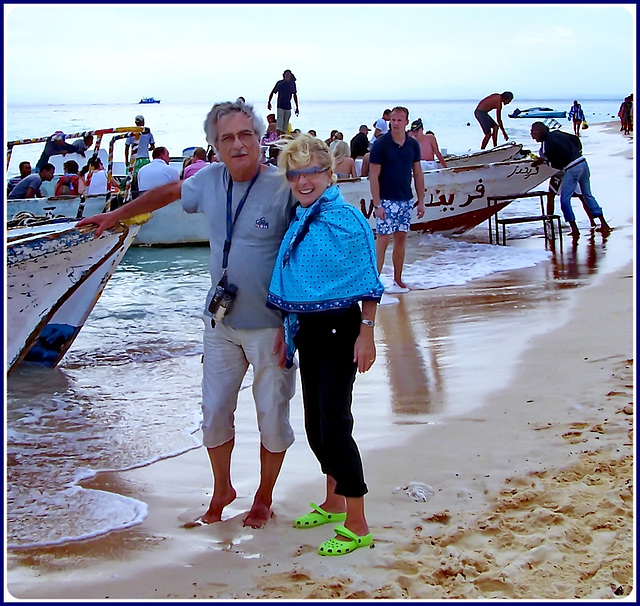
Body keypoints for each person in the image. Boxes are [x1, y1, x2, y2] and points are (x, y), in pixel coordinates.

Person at [77, 100, 297, 529]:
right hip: (220, 322)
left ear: (259, 139)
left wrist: (295, 322)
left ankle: (263, 497)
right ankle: (222, 491)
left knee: (272, 413)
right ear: (214, 147)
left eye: (245, 134)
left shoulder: (283, 186)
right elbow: (167, 193)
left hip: (271, 326)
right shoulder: (209, 180)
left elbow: (308, 249)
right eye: (226, 138)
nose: (237, 144)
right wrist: (117, 214)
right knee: (214, 410)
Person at [267, 134, 383, 556]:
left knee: (335, 426)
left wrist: (366, 333)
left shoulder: (345, 219)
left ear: (329, 174)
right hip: (309, 330)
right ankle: (333, 501)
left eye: (311, 172)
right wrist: (287, 332)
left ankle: (357, 522)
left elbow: (368, 280)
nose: (302, 181)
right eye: (294, 174)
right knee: (315, 426)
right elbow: (295, 280)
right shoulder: (301, 217)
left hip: (341, 329)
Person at [369, 106, 424, 291]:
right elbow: (373, 176)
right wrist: (377, 204)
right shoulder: (381, 144)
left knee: (401, 238)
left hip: (405, 199)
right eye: (393, 120)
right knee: (383, 240)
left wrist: (421, 200)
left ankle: (398, 280)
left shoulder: (412, 144)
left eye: (399, 120)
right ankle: (374, 282)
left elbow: (417, 173)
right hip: (385, 200)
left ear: (406, 122)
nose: (395, 123)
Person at [530, 121, 610, 239]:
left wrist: (543, 161)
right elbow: (575, 139)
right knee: (587, 195)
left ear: (538, 132)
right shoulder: (557, 133)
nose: (532, 136)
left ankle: (574, 229)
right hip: (582, 162)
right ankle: (604, 224)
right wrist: (577, 152)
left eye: (532, 133)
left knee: (565, 200)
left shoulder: (546, 144)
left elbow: (556, 165)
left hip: (572, 169)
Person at [267, 69, 299, 135]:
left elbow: (295, 95)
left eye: (288, 75)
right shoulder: (280, 83)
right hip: (280, 106)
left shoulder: (292, 84)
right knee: (279, 126)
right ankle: (278, 138)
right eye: (286, 75)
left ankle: (282, 138)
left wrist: (297, 107)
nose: (287, 76)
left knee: (285, 126)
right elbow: (272, 92)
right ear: (283, 76)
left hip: (288, 107)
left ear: (290, 76)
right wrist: (269, 102)